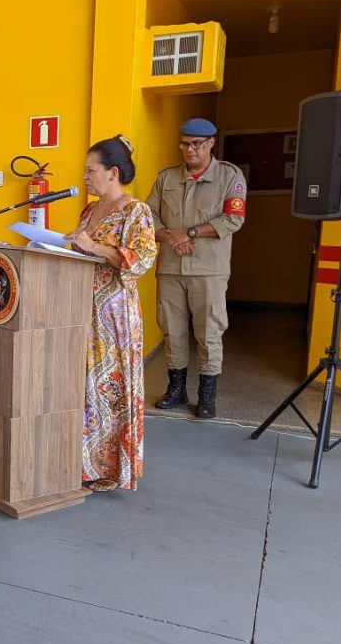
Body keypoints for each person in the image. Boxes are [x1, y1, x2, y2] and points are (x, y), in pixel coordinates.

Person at [64, 136, 158, 492]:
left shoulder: (137, 212)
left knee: (110, 391)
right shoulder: (89, 210)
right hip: (81, 309)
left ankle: (110, 470)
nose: (86, 177)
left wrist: (95, 246)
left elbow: (142, 259)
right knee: (85, 389)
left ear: (113, 172)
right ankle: (82, 465)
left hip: (114, 315)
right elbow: (84, 251)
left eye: (92, 170)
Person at [146, 118, 246, 419]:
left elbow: (233, 219)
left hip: (209, 269)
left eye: (196, 144)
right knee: (171, 330)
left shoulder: (230, 176)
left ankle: (206, 396)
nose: (189, 150)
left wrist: (186, 233)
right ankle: (176, 390)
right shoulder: (166, 178)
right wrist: (171, 238)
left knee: (209, 331)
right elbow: (148, 216)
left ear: (211, 143)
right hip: (171, 268)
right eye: (185, 144)